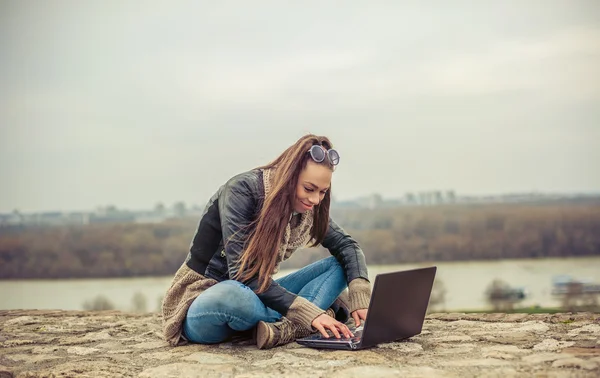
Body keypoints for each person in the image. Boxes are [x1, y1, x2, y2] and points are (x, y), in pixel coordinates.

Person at [161, 134, 371, 349]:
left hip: (257, 295)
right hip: (207, 299)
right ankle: (309, 316)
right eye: (309, 189)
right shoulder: (242, 190)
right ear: (289, 176)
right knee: (233, 293)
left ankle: (282, 328)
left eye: (322, 192)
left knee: (339, 265)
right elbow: (242, 275)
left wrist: (360, 296)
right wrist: (311, 310)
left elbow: (348, 247)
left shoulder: (307, 211)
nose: (315, 200)